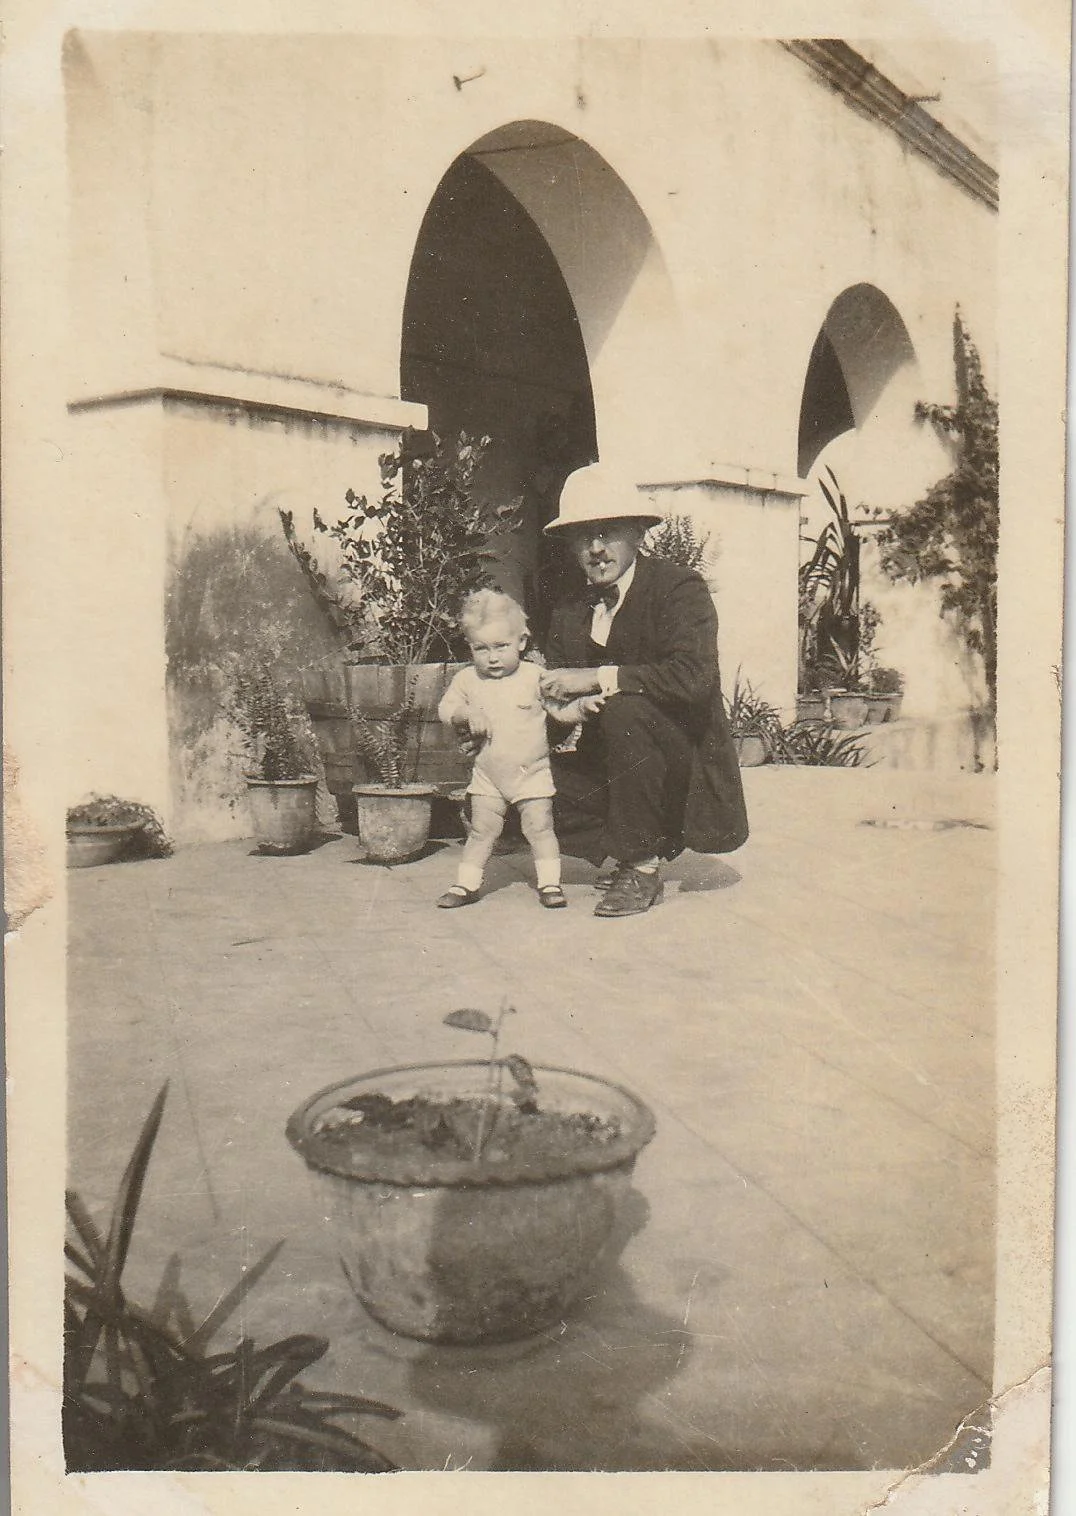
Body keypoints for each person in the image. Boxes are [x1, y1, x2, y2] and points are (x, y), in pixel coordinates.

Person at [539, 463, 749, 918]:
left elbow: (694, 677)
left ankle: (642, 865)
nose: (596, 549)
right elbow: (557, 699)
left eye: (609, 532)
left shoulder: (678, 588)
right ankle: (621, 844)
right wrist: (558, 712)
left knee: (625, 711)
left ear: (638, 533)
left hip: (682, 765)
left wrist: (597, 678)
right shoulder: (570, 609)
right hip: (611, 764)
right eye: (583, 536)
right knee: (516, 772)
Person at [436, 589, 604, 910]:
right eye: (480, 649)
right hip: (488, 776)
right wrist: (468, 713)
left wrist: (583, 706)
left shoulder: (534, 677)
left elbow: (560, 711)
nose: (492, 657)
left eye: (501, 646)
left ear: (522, 642)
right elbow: (447, 709)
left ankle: (550, 883)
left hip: (532, 774)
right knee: (482, 831)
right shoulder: (468, 680)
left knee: (540, 828)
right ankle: (465, 884)